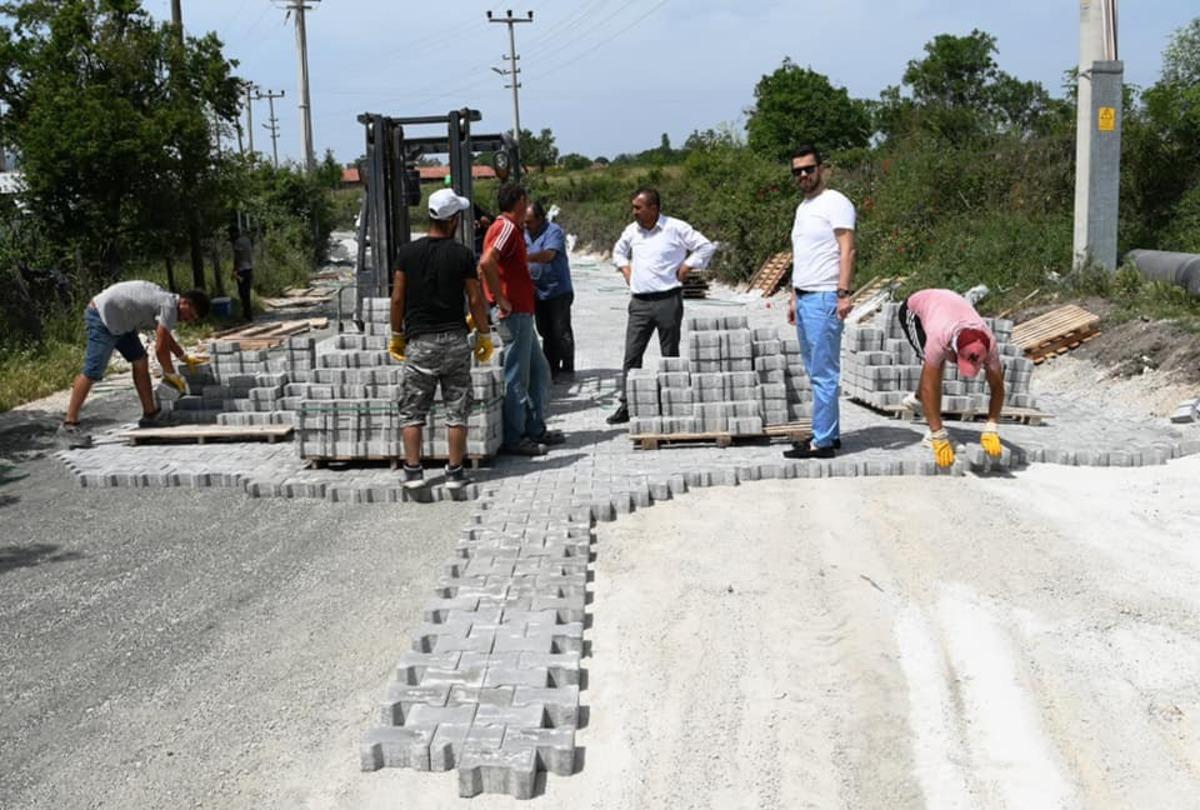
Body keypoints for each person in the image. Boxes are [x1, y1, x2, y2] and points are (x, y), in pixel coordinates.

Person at [389, 188, 494, 492]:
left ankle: (413, 471)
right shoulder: (462, 254)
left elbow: (398, 298)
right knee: (456, 408)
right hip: (455, 341)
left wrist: (397, 334)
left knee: (412, 409)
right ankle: (455, 471)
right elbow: (475, 299)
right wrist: (484, 333)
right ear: (452, 221)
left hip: (420, 342)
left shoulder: (407, 253)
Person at [606, 187, 714, 424]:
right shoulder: (632, 231)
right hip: (640, 303)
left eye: (638, 207)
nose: (633, 212)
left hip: (668, 300)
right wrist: (625, 268)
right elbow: (618, 251)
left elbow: (705, 246)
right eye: (633, 207)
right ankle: (627, 404)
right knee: (632, 355)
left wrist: (687, 266)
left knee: (669, 355)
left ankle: (671, 402)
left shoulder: (675, 228)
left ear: (653, 208)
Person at [58, 281, 210, 448]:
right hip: (102, 317)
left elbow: (164, 336)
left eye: (193, 319)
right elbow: (160, 348)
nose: (189, 320)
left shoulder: (169, 303)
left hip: (122, 321)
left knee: (140, 360)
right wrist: (171, 375)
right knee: (92, 371)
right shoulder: (169, 306)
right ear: (185, 302)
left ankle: (150, 414)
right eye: (191, 315)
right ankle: (69, 425)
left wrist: (183, 356)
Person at [478, 183, 564, 455]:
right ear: (520, 201)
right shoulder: (505, 228)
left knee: (539, 372)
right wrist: (501, 300)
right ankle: (516, 437)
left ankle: (535, 427)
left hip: (522, 312)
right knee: (517, 376)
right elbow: (487, 262)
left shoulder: (511, 229)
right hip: (513, 314)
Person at [782, 145, 857, 459]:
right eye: (797, 171)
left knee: (824, 373)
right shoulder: (803, 207)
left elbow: (847, 250)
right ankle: (830, 433)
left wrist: (843, 293)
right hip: (805, 297)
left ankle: (822, 443)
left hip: (826, 296)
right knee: (816, 371)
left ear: (821, 169)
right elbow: (803, 256)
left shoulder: (835, 203)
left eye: (808, 169)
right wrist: (793, 296)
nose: (803, 175)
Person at [898, 289, 1006, 468]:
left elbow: (997, 386)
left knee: (935, 368)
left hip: (948, 308)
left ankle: (917, 401)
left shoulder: (990, 343)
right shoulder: (939, 337)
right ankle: (931, 434)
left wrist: (992, 425)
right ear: (955, 349)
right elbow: (929, 386)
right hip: (915, 311)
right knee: (934, 366)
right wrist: (939, 435)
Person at [525, 200, 575, 383]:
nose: (526, 225)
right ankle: (550, 367)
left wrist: (524, 257)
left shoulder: (553, 231)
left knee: (559, 331)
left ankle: (565, 368)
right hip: (538, 291)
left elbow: (549, 255)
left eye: (529, 222)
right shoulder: (525, 233)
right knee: (544, 330)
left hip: (558, 290)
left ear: (540, 219)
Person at [231, 227, 255, 322]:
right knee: (247, 293)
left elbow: (237, 258)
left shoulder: (238, 242)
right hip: (249, 269)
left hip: (241, 270)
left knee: (242, 293)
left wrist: (234, 270)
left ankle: (246, 315)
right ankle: (248, 315)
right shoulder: (247, 241)